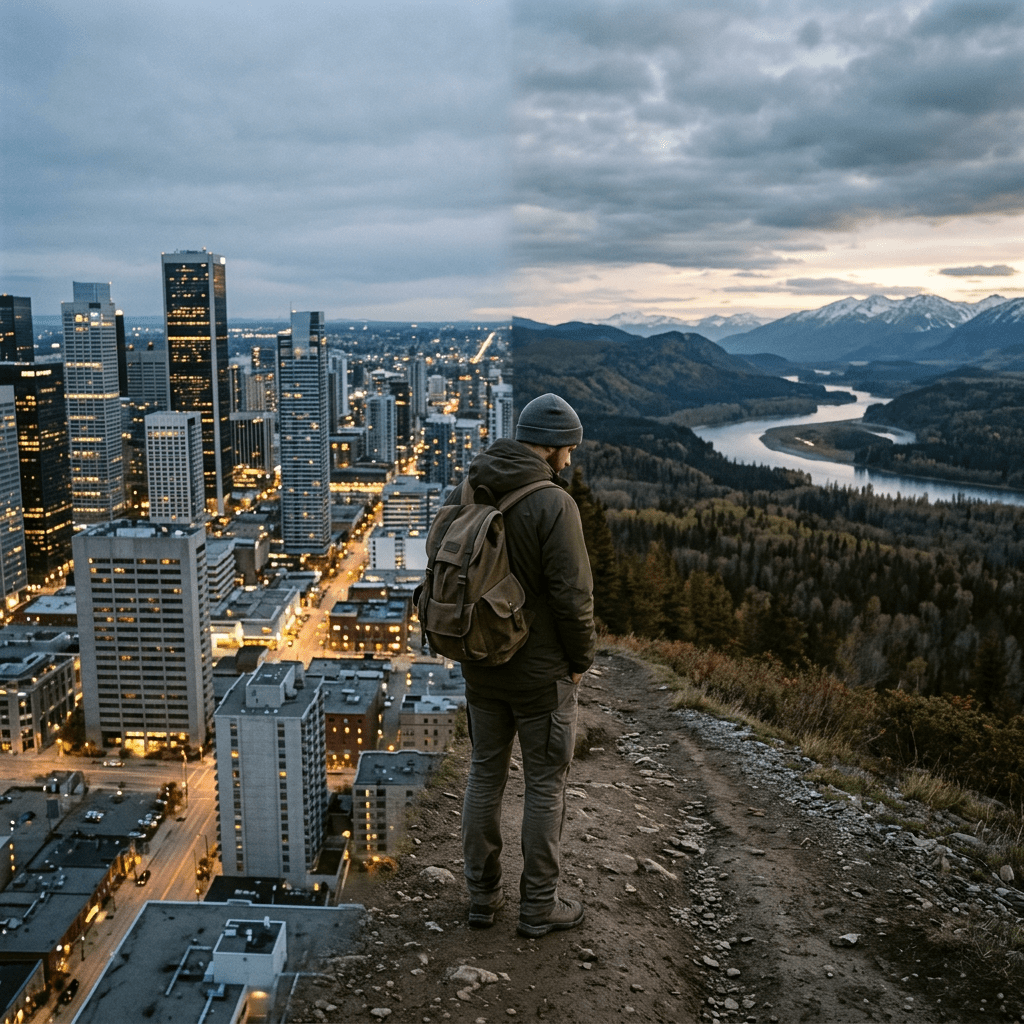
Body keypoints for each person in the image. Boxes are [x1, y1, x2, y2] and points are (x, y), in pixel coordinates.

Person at [456, 393, 596, 937]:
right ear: (558, 446)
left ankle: (480, 898)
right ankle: (538, 905)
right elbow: (573, 596)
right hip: (540, 677)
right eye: (570, 448)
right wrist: (580, 661)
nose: (570, 458)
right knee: (543, 785)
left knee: (484, 775)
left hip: (480, 666)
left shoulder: (470, 486)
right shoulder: (553, 504)